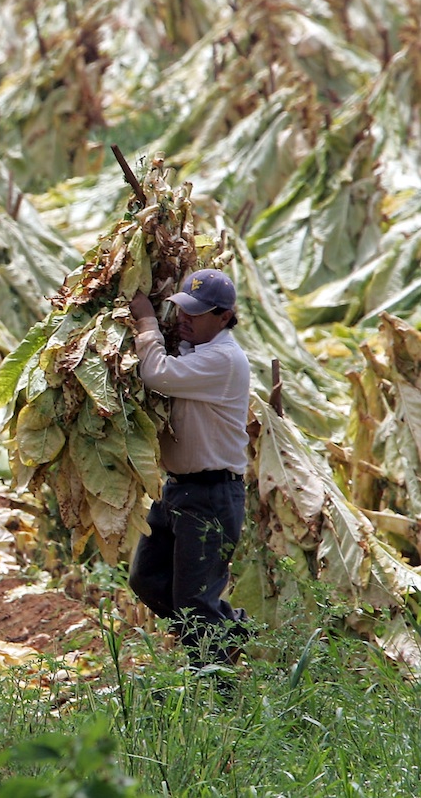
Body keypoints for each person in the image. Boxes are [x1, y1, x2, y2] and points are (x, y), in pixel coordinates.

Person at [128, 268, 252, 669]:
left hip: (211, 494)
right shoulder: (196, 349)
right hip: (178, 490)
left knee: (194, 603)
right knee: (145, 579)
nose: (184, 318)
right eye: (182, 309)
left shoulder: (223, 359)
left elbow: (156, 373)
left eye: (195, 313)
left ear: (223, 316)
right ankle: (227, 632)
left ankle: (218, 693)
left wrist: (146, 321)